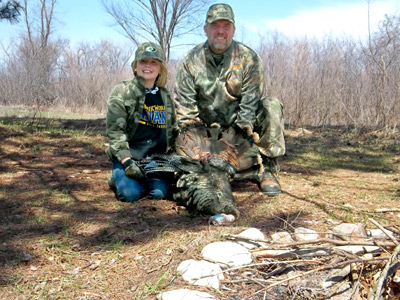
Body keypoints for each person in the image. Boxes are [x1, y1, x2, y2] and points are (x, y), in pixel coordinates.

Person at [174, 3, 285, 197]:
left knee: (271, 106)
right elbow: (185, 111)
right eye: (215, 25)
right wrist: (200, 147)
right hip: (206, 132)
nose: (220, 31)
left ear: (233, 30)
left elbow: (249, 107)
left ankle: (266, 168)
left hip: (239, 130)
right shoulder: (190, 61)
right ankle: (219, 169)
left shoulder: (249, 58)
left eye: (226, 26)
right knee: (182, 147)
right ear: (206, 29)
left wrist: (236, 143)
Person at [105, 42, 178, 202]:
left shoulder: (165, 96)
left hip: (156, 161)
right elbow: (115, 132)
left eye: (153, 62)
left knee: (159, 194)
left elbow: (173, 131)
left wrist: (175, 158)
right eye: (143, 61)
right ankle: (118, 178)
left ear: (160, 68)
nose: (148, 66)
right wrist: (126, 162)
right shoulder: (122, 91)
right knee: (130, 195)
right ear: (136, 66)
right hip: (130, 158)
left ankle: (148, 181)